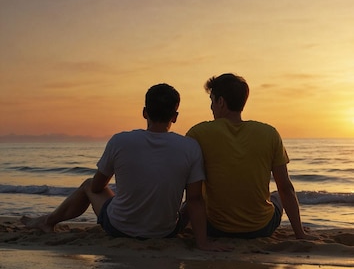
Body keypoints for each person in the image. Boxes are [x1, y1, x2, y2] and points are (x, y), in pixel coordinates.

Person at [22, 83, 221, 251]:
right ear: (175, 116)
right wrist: (202, 243)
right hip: (165, 232)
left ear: (144, 112)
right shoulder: (189, 146)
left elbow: (97, 187)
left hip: (119, 227)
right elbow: (195, 200)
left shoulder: (120, 141)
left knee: (88, 184)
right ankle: (47, 221)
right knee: (189, 203)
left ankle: (48, 221)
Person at [186, 73, 307, 239]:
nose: (211, 107)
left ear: (220, 102)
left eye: (212, 100)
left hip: (215, 228)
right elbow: (285, 188)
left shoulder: (198, 133)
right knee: (277, 195)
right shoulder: (269, 133)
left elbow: (189, 186)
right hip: (261, 228)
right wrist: (300, 234)